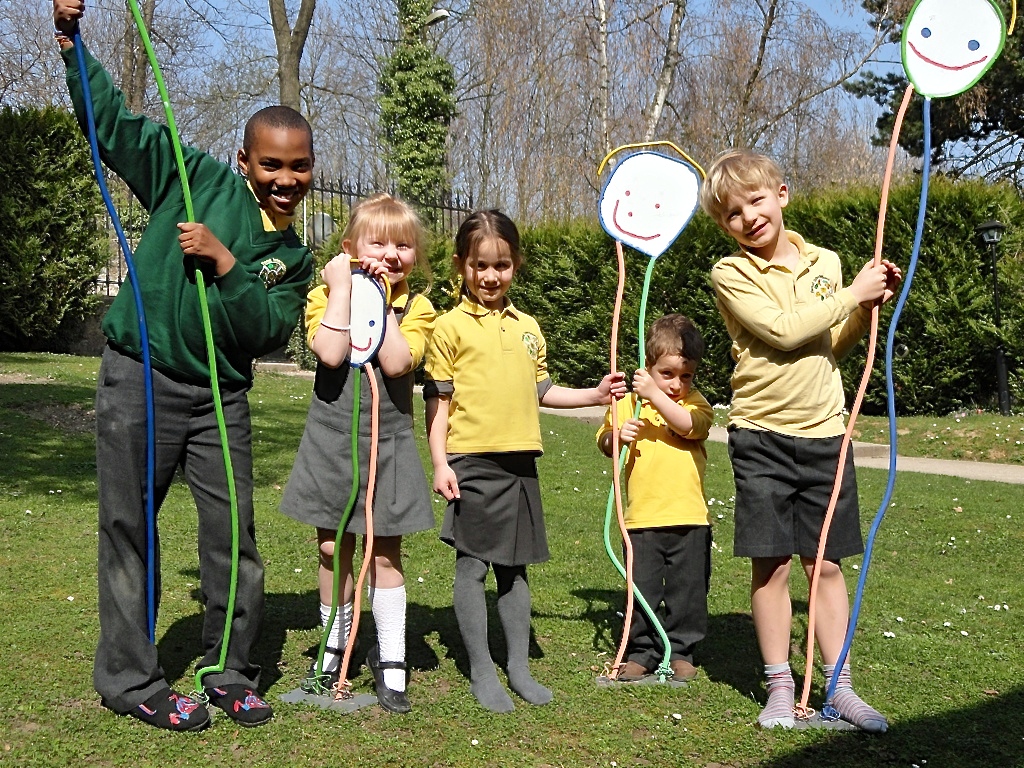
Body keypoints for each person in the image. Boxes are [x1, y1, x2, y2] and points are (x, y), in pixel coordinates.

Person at [55, 0, 314, 732]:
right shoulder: (191, 178)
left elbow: (264, 332)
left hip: (220, 398)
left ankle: (229, 669)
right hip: (141, 376)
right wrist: (72, 40)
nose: (284, 180)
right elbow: (113, 127)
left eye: (298, 168)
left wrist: (227, 262)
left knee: (234, 536)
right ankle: (131, 678)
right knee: (130, 527)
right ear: (245, 161)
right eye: (270, 164)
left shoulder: (292, 258)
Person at [700, 149, 901, 732]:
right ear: (725, 226)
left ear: (781, 194)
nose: (749, 217)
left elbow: (827, 345)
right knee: (771, 566)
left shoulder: (828, 262)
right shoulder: (730, 273)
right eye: (733, 213)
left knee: (825, 565)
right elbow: (784, 333)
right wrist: (848, 295)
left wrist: (863, 308)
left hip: (825, 434)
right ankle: (781, 685)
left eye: (757, 201)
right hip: (761, 436)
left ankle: (838, 685)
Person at [423, 210, 627, 713]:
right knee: (471, 568)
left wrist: (594, 395)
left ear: (516, 265)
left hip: (520, 467)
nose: (491, 276)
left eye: (502, 265)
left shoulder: (530, 327)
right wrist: (440, 463)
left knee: (515, 572)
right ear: (460, 265)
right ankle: (481, 669)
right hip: (471, 462)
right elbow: (437, 404)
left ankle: (518, 666)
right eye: (480, 265)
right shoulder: (447, 328)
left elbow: (542, 390)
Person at [280, 194, 436, 714]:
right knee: (331, 549)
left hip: (386, 441)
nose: (391, 253)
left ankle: (391, 659)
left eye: (404, 245)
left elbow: (395, 362)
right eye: (379, 242)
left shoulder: (417, 307)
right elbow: (329, 353)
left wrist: (384, 299)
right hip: (331, 436)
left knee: (385, 551)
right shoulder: (326, 294)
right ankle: (334, 646)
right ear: (349, 247)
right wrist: (346, 287)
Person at [596, 314, 714, 684]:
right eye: (667, 374)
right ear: (649, 366)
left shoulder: (695, 404)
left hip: (689, 518)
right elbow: (603, 441)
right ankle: (641, 651)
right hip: (642, 519)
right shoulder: (630, 403)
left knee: (688, 592)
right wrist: (617, 436)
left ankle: (681, 650)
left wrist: (655, 394)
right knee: (641, 590)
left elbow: (689, 426)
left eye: (686, 375)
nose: (678, 384)